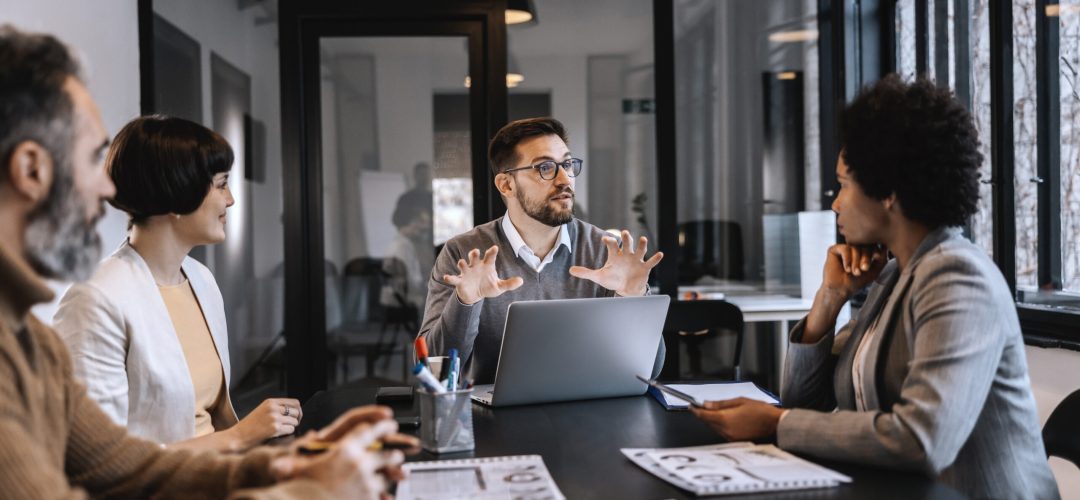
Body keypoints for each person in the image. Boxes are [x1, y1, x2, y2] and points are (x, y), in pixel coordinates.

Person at [0, 24, 415, 498]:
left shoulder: (30, 340)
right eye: (93, 160)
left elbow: (130, 468)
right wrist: (303, 491)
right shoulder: (75, 312)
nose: (108, 188)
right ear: (31, 169)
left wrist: (297, 462)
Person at [688, 75, 1058, 499]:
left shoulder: (958, 278)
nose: (835, 203)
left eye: (844, 184)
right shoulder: (893, 275)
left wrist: (776, 424)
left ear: (887, 191)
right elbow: (802, 400)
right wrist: (830, 298)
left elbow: (922, 439)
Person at [53, 115, 301, 451]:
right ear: (178, 191)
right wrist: (242, 435)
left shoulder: (200, 279)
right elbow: (98, 460)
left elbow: (210, 422)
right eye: (221, 184)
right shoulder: (95, 299)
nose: (230, 200)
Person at [418, 117, 665, 384]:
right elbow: (432, 371)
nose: (564, 179)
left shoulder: (605, 250)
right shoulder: (464, 253)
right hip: (488, 418)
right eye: (545, 167)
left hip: (585, 409)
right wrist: (466, 301)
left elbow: (648, 371)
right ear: (506, 185)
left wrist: (632, 297)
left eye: (567, 164)